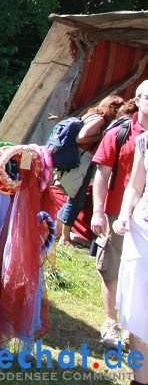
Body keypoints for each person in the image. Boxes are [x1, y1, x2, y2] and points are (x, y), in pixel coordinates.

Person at [91, 81, 148, 350]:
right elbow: (101, 175)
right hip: (118, 213)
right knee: (112, 269)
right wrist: (98, 213)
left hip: (145, 221)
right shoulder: (122, 132)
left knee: (140, 275)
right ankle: (111, 322)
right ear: (137, 99)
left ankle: (136, 327)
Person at [56, 95, 127, 246]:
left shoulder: (91, 114)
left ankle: (60, 232)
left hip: (79, 161)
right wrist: (101, 137)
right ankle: (65, 237)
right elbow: (80, 138)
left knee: (73, 197)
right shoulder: (99, 120)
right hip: (83, 161)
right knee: (76, 199)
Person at [113, 118, 148, 385]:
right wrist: (124, 214)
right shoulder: (144, 141)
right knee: (139, 306)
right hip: (142, 230)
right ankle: (140, 379)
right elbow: (135, 185)